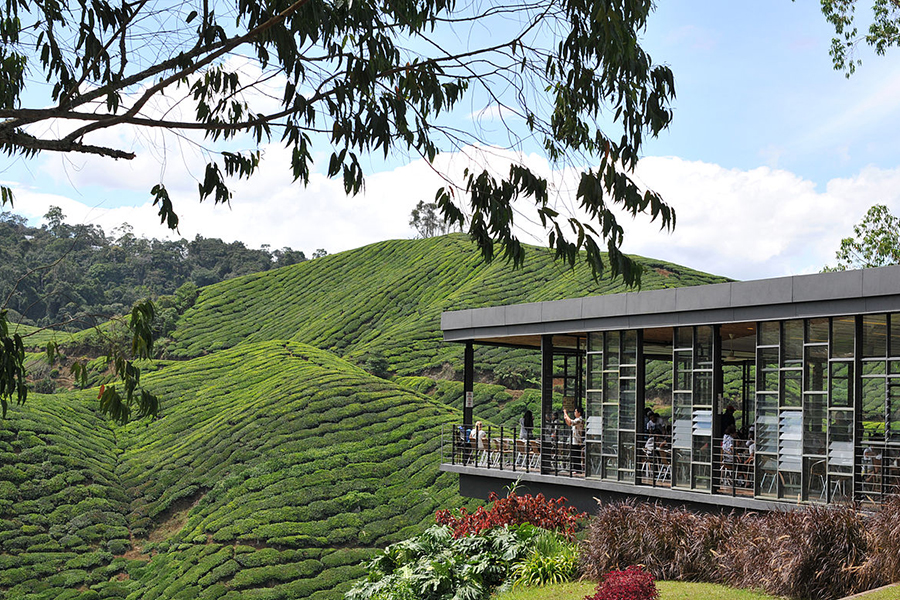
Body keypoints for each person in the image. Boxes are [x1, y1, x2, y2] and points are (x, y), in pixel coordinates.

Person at [563, 407, 585, 474]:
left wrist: (565, 413)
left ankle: (577, 469)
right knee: (573, 454)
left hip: (577, 441)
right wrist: (566, 417)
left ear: (579, 413)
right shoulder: (577, 419)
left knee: (576, 455)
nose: (574, 413)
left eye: (575, 411)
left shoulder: (580, 420)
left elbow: (571, 422)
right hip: (574, 440)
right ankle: (575, 468)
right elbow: (569, 423)